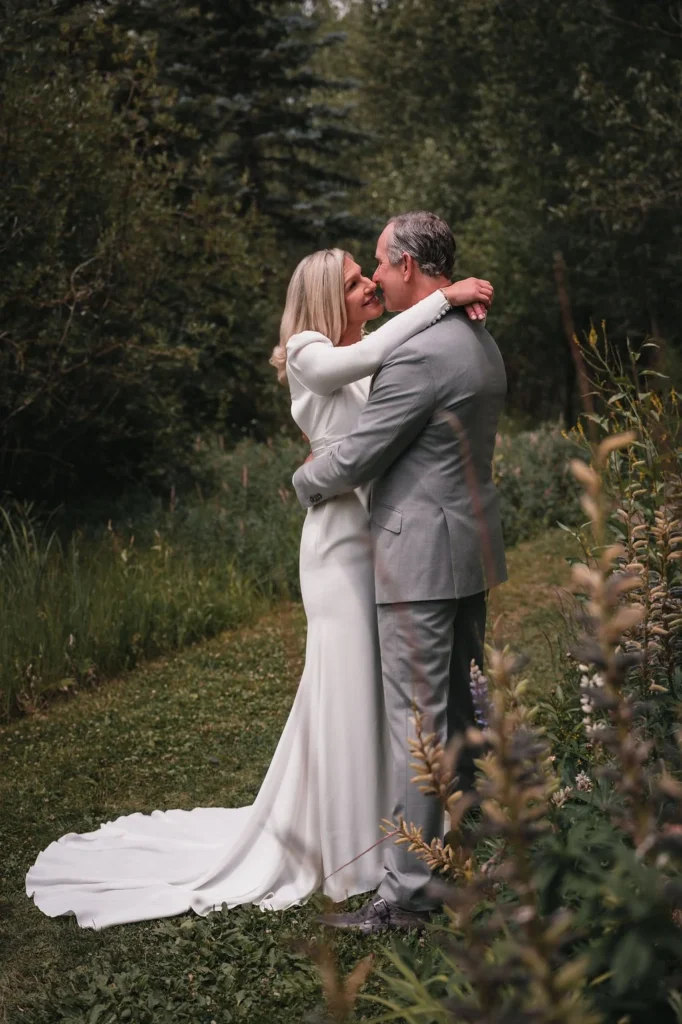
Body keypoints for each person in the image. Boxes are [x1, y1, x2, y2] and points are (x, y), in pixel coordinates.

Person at [24, 236, 492, 930]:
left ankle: (386, 833)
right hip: (336, 541)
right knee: (342, 679)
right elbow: (361, 363)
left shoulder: (371, 354)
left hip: (381, 535)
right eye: (356, 281)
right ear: (326, 296)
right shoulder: (309, 347)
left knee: (380, 690)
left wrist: (442, 319)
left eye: (372, 277)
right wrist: (444, 300)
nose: (368, 287)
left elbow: (387, 412)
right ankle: (343, 846)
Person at [292, 211, 507, 935]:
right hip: (465, 550)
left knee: (420, 726)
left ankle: (409, 896)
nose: (377, 281)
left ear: (409, 266)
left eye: (380, 266)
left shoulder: (418, 355)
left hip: (416, 560)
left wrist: (305, 479)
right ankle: (462, 857)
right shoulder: (477, 338)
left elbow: (361, 454)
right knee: (460, 717)